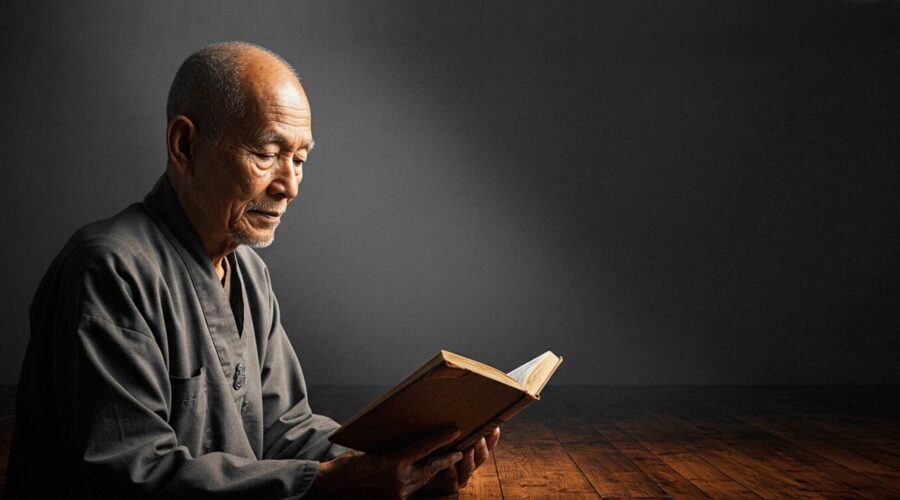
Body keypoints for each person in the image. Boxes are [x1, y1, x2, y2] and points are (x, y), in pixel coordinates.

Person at [6, 42, 499, 499]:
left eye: (300, 159)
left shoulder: (248, 273)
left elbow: (285, 429)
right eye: (266, 154)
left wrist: (405, 466)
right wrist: (327, 486)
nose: (290, 186)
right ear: (184, 145)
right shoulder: (108, 268)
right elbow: (129, 473)